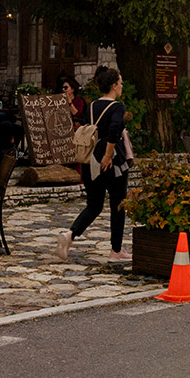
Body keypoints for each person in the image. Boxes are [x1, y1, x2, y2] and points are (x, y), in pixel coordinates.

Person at [57, 66, 132, 262]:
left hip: (91, 160)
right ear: (114, 86)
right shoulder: (117, 107)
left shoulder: (91, 107)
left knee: (94, 205)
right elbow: (114, 129)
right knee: (118, 205)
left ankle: (70, 235)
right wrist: (108, 155)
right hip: (111, 162)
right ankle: (116, 251)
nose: (122, 87)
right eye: (121, 83)